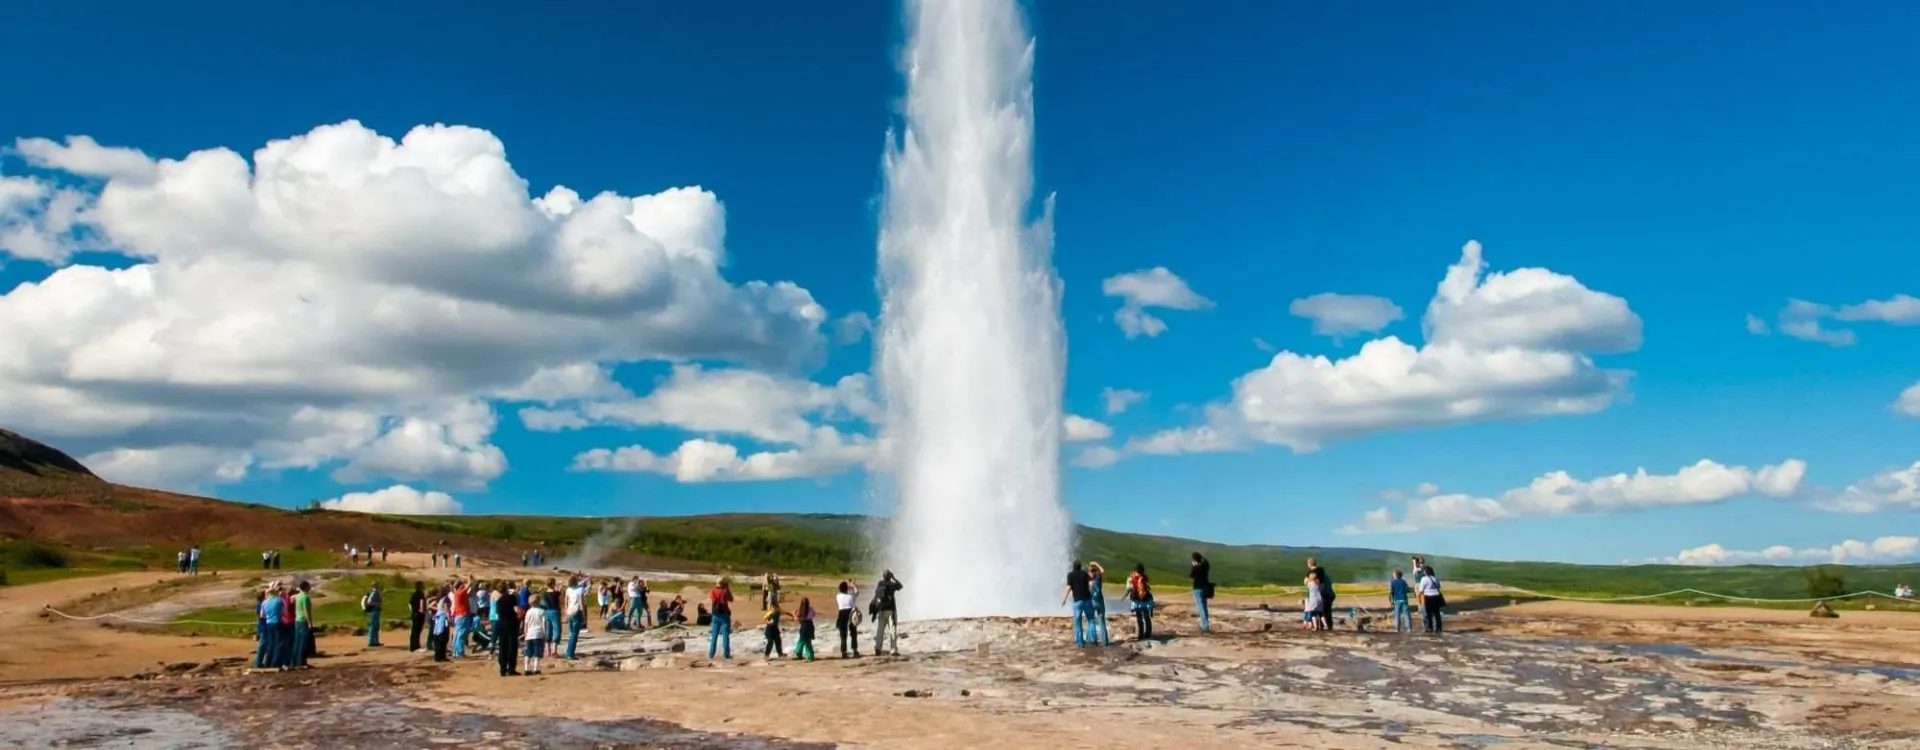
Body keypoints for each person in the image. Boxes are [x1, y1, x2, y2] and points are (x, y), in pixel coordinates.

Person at [1062, 560, 1097, 647]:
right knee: (1091, 620)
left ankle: (1080, 643)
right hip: (1087, 599)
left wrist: (1064, 599)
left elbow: (1069, 587)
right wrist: (1090, 569)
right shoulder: (1084, 573)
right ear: (1080, 566)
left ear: (1073, 567)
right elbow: (1091, 578)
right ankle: (1091, 640)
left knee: (1078, 622)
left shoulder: (1070, 575)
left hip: (1077, 601)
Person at [871, 570, 904, 656]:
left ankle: (877, 648)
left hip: (881, 610)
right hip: (891, 610)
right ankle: (893, 649)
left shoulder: (880, 584)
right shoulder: (892, 584)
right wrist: (894, 578)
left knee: (880, 630)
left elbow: (876, 595)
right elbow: (900, 586)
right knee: (892, 629)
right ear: (890, 576)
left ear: (883, 576)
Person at [492, 587, 520, 676]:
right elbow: (516, 610)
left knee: (503, 646)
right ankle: (511, 668)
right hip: (511, 623)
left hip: (502, 623)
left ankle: (502, 669)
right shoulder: (512, 599)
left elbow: (497, 612)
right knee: (512, 646)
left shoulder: (499, 600)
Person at [707, 576, 735, 661]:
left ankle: (711, 654)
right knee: (725, 635)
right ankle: (726, 654)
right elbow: (731, 599)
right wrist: (727, 589)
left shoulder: (712, 591)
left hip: (715, 614)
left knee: (714, 635)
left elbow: (712, 599)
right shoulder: (724, 591)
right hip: (724, 614)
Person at [1126, 563, 1154, 640]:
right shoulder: (1145, 577)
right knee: (1146, 617)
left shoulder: (1132, 578)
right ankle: (1148, 633)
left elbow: (1129, 589)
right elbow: (1149, 587)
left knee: (1139, 618)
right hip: (1146, 600)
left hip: (1136, 600)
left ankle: (1140, 635)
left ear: (1135, 570)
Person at [1086, 562, 1112, 646]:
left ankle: (1091, 640)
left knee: (1091, 621)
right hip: (1099, 601)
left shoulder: (1087, 579)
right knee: (1102, 621)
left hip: (1091, 601)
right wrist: (1096, 564)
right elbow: (1102, 570)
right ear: (1095, 571)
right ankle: (1104, 642)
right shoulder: (1098, 577)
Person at [522, 595, 549, 676]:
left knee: (528, 652)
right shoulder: (542, 611)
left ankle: (527, 668)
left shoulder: (528, 612)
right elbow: (543, 624)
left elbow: (526, 624)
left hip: (529, 634)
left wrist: (525, 635)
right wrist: (545, 634)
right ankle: (536, 669)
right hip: (538, 634)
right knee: (537, 652)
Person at [835, 580, 861, 658]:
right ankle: (855, 650)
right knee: (853, 634)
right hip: (851, 613)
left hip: (842, 614)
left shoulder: (838, 596)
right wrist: (853, 586)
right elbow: (857, 592)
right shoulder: (850, 596)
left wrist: (848, 585)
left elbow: (841, 591)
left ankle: (844, 652)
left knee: (843, 634)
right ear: (847, 589)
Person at [290, 581, 313, 669]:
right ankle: (301, 662)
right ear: (306, 587)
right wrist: (310, 623)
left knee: (297, 641)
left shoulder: (298, 596)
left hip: (297, 620)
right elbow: (306, 611)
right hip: (303, 620)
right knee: (303, 642)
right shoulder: (305, 597)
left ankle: (295, 661)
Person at [1306, 557, 1335, 628]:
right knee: (1325, 611)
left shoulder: (1317, 579)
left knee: (1321, 612)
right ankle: (1327, 625)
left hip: (1324, 595)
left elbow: (1308, 583)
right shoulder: (1325, 576)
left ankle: (1322, 626)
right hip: (1329, 594)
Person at [564, 576, 588, 660]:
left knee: (571, 633)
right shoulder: (580, 589)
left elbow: (566, 602)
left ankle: (567, 651)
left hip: (569, 612)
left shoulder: (568, 589)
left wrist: (566, 612)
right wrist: (584, 615)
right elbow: (582, 603)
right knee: (575, 634)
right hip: (577, 612)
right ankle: (570, 654)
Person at [1189, 552, 1213, 633]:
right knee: (1204, 607)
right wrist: (1202, 558)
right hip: (1205, 589)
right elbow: (1207, 563)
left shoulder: (1196, 568)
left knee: (1201, 608)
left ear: (1195, 560)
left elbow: (1191, 575)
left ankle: (1205, 626)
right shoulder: (1205, 566)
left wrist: (1194, 566)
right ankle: (1205, 625)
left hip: (1197, 589)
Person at [1418, 565, 1444, 634]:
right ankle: (1438, 628)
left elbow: (1421, 590)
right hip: (1436, 597)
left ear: (1425, 572)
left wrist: (1418, 596)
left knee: (1428, 613)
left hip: (1428, 597)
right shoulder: (1435, 578)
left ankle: (1430, 627)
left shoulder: (1424, 579)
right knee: (1436, 613)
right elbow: (1438, 587)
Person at [794, 596, 817, 662]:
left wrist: (794, 614)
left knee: (801, 641)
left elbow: (796, 619)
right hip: (810, 627)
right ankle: (809, 656)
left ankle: (800, 654)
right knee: (807, 642)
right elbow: (813, 614)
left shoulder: (800, 611)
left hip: (803, 628)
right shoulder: (811, 609)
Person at [429, 593, 451, 662]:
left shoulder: (439, 598)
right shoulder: (445, 599)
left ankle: (438, 656)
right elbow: (447, 610)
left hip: (438, 620)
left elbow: (430, 605)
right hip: (443, 619)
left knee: (438, 637)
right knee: (443, 637)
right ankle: (440, 656)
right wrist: (449, 619)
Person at [362, 581, 384, 647]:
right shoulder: (375, 593)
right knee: (373, 626)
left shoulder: (375, 592)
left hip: (376, 610)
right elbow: (370, 602)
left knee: (376, 626)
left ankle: (376, 641)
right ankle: (371, 641)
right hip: (375, 610)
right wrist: (377, 604)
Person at [408, 582, 428, 652]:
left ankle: (414, 645)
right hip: (419, 614)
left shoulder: (414, 594)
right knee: (417, 630)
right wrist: (422, 610)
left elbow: (410, 603)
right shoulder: (420, 594)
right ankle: (415, 646)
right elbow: (422, 602)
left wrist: (412, 611)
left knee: (415, 630)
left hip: (414, 614)